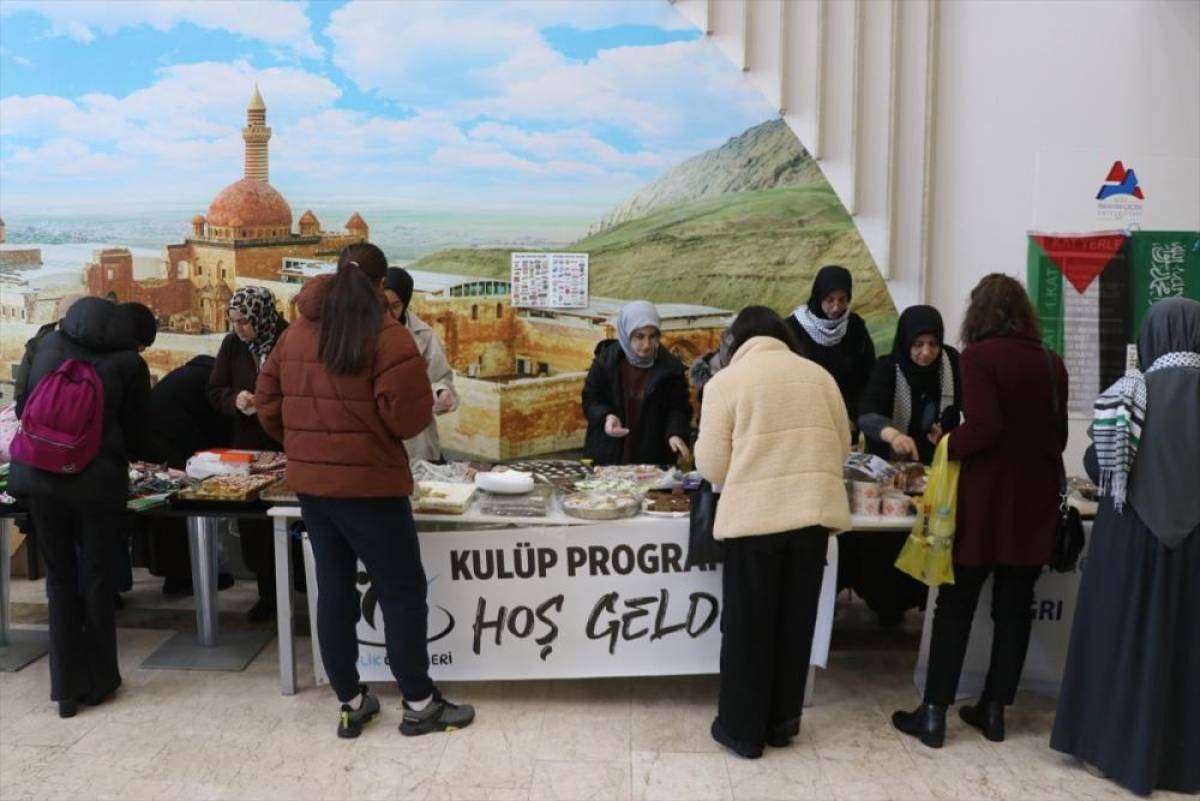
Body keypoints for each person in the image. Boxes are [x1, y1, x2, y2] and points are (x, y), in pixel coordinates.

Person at [256, 243, 475, 739]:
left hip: (313, 489)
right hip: (373, 487)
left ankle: (351, 702)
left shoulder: (297, 331)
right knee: (401, 591)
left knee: (333, 589)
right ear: (380, 285)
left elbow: (268, 404)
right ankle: (419, 703)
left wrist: (306, 445)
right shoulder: (386, 335)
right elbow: (409, 418)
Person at [893, 273, 1067, 749]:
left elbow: (985, 427)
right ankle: (993, 711)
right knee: (1015, 608)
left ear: (980, 312)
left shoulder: (979, 357)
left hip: (986, 502)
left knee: (956, 605)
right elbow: (1060, 438)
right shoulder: (1052, 363)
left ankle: (933, 714)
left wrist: (948, 443)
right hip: (1033, 504)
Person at [1051, 298, 1200, 797]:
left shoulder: (1130, 391)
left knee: (1122, 642)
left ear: (1152, 335)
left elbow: (1101, 466)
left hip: (1132, 542)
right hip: (1194, 551)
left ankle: (1110, 749)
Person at [695, 306, 851, 760]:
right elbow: (842, 447)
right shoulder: (820, 377)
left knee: (749, 630)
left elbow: (712, 466)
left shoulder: (726, 383)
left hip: (754, 520)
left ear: (736, 342)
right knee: (794, 624)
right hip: (811, 519)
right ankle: (783, 724)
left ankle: (743, 732)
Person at [8, 297, 151, 718]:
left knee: (59, 581)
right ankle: (100, 681)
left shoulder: (46, 345)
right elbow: (140, 434)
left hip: (39, 479)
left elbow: (23, 407)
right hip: (96, 484)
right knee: (97, 577)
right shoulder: (129, 363)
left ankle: (65, 691)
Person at [846, 305, 963, 626]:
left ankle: (927, 600)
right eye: (918, 345)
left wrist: (950, 431)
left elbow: (966, 410)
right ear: (905, 342)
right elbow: (867, 414)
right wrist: (894, 435)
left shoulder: (952, 364)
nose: (926, 353)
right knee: (888, 542)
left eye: (933, 344)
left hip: (936, 472)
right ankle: (887, 605)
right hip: (891, 473)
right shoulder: (888, 368)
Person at [208, 286, 288, 622]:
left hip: (285, 443)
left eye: (244, 321)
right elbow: (215, 390)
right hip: (249, 447)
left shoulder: (289, 340)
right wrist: (235, 400)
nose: (239, 328)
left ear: (262, 316)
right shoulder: (232, 345)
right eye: (234, 321)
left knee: (288, 520)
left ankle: (297, 589)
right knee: (256, 526)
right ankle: (267, 594)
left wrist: (269, 404)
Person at [140, 355, 234, 595]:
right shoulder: (214, 383)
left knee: (170, 509)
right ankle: (188, 576)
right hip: (174, 444)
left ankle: (177, 574)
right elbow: (218, 428)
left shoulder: (193, 375)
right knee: (185, 508)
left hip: (158, 439)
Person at [582, 301, 692, 466]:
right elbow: (590, 399)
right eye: (639, 336)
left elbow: (678, 408)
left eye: (652, 336)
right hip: (607, 453)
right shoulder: (606, 361)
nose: (647, 345)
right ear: (626, 333)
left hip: (651, 456)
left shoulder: (670, 369)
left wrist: (675, 433)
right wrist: (607, 416)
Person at [786, 265, 876, 436]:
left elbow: (868, 375)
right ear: (818, 296)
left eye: (842, 300)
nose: (836, 308)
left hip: (847, 421)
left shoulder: (855, 326)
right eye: (830, 300)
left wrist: (853, 416)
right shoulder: (793, 328)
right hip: (804, 420)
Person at [383, 266, 458, 463]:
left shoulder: (424, 335)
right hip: (378, 442)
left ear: (405, 303)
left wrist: (441, 392)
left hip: (416, 442)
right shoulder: (363, 334)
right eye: (383, 306)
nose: (389, 314)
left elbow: (440, 380)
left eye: (395, 306)